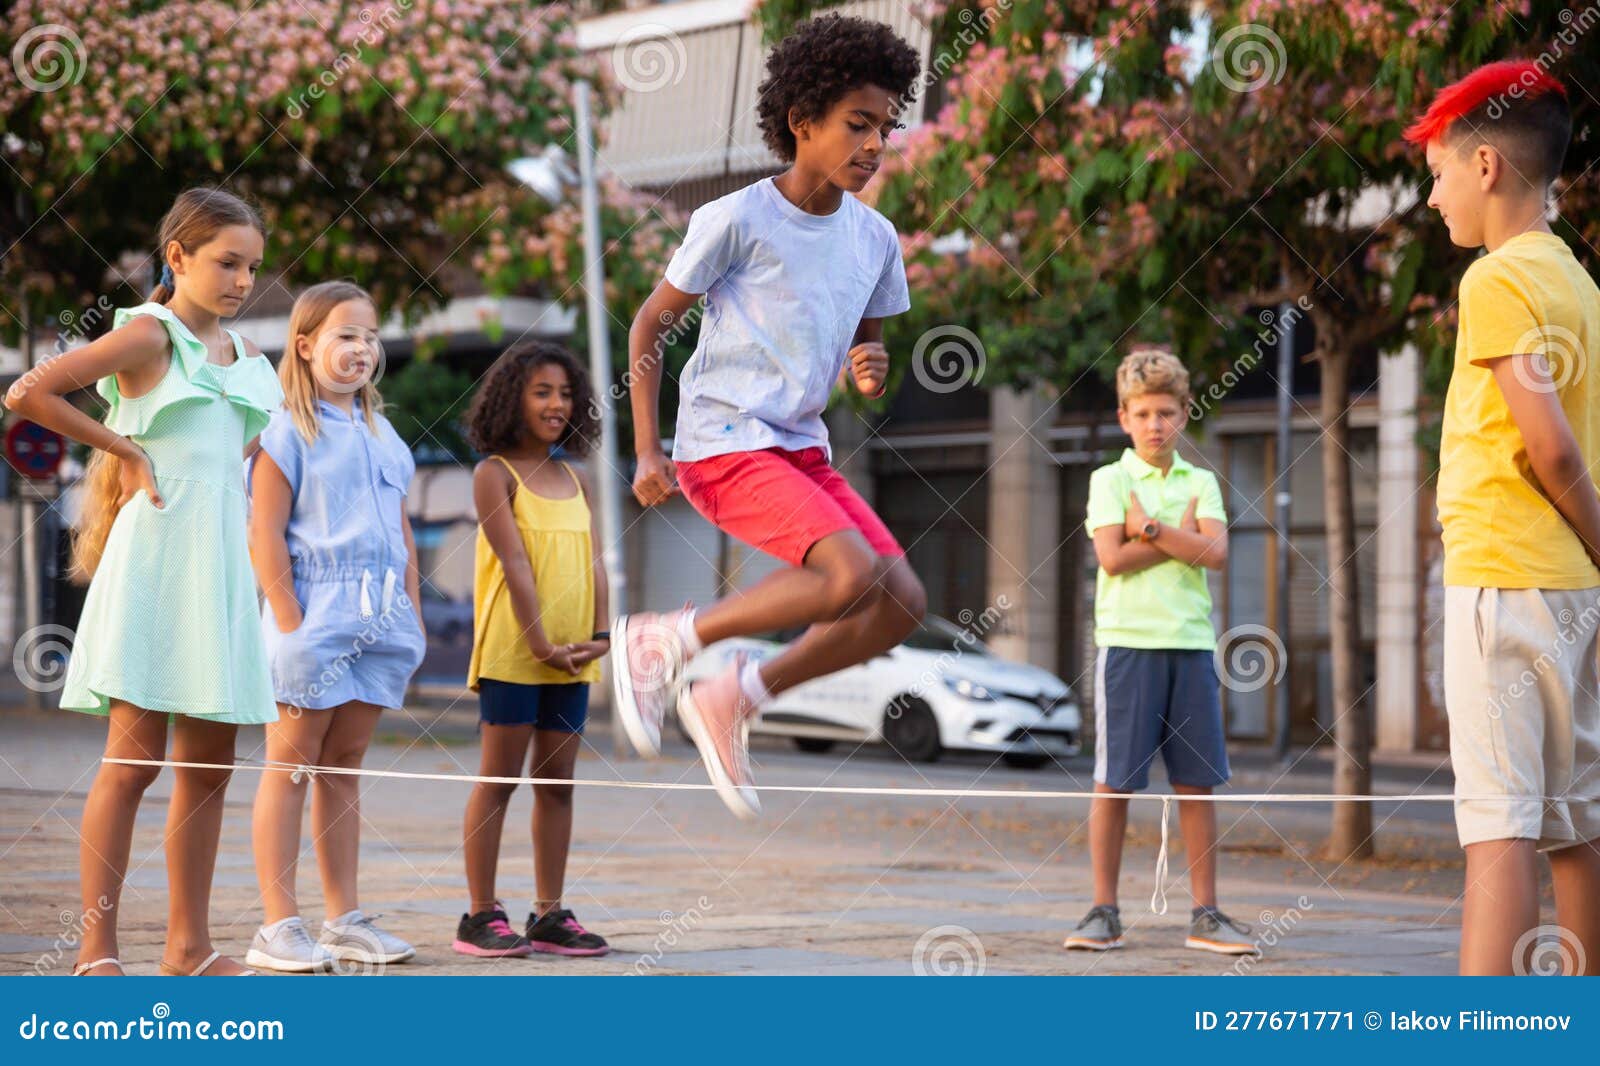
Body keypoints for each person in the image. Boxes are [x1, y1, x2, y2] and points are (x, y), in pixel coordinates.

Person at [613, 14, 927, 819]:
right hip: (722, 442)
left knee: (899, 603)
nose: (873, 144)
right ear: (802, 121)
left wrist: (871, 365)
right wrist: (649, 449)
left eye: (885, 129)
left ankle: (734, 695)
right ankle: (666, 637)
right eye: (858, 124)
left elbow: (870, 344)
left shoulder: (875, 239)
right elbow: (651, 323)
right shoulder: (736, 218)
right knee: (847, 575)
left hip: (799, 448)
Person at [4, 186, 284, 976]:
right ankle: (95, 950)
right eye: (226, 262)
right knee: (131, 767)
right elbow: (28, 393)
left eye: (252, 268)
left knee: (209, 772)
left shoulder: (251, 361)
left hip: (222, 577)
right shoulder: (149, 336)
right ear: (178, 257)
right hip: (155, 567)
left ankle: (188, 948)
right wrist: (124, 451)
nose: (240, 280)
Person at [1405, 59, 1600, 975]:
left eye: (1438, 173)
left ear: (1486, 165)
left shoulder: (1495, 281)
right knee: (1576, 825)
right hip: (1572, 593)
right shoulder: (1579, 283)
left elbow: (1552, 449)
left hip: (1503, 580)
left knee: (1499, 828)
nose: (1434, 197)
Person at [246, 280, 426, 972]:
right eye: (346, 335)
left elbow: (402, 533)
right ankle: (276, 925)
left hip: (381, 618)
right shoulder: (286, 429)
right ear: (306, 345)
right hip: (315, 614)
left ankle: (341, 919)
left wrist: (406, 608)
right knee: (289, 765)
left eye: (371, 336)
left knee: (343, 768)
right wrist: (290, 620)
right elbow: (264, 529)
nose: (362, 348)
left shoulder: (383, 433)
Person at [1062, 349, 1254, 956]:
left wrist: (1146, 528)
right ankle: (1103, 911)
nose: (1155, 424)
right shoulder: (1108, 480)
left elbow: (1217, 556)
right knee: (1113, 784)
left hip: (1191, 647)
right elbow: (1111, 558)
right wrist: (1184, 539)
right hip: (1128, 647)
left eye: (1166, 412)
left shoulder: (1202, 481)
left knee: (1197, 785)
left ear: (1184, 414)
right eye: (1143, 413)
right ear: (1124, 417)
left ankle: (1207, 915)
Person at [453, 341, 611, 959]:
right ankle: (479, 914)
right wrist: (540, 642)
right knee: (499, 781)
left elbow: (595, 561)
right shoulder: (494, 474)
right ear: (511, 397)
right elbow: (515, 564)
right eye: (542, 391)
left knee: (559, 784)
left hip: (572, 655)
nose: (555, 404)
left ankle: (548, 914)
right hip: (518, 651)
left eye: (565, 393)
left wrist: (601, 635)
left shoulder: (576, 477)